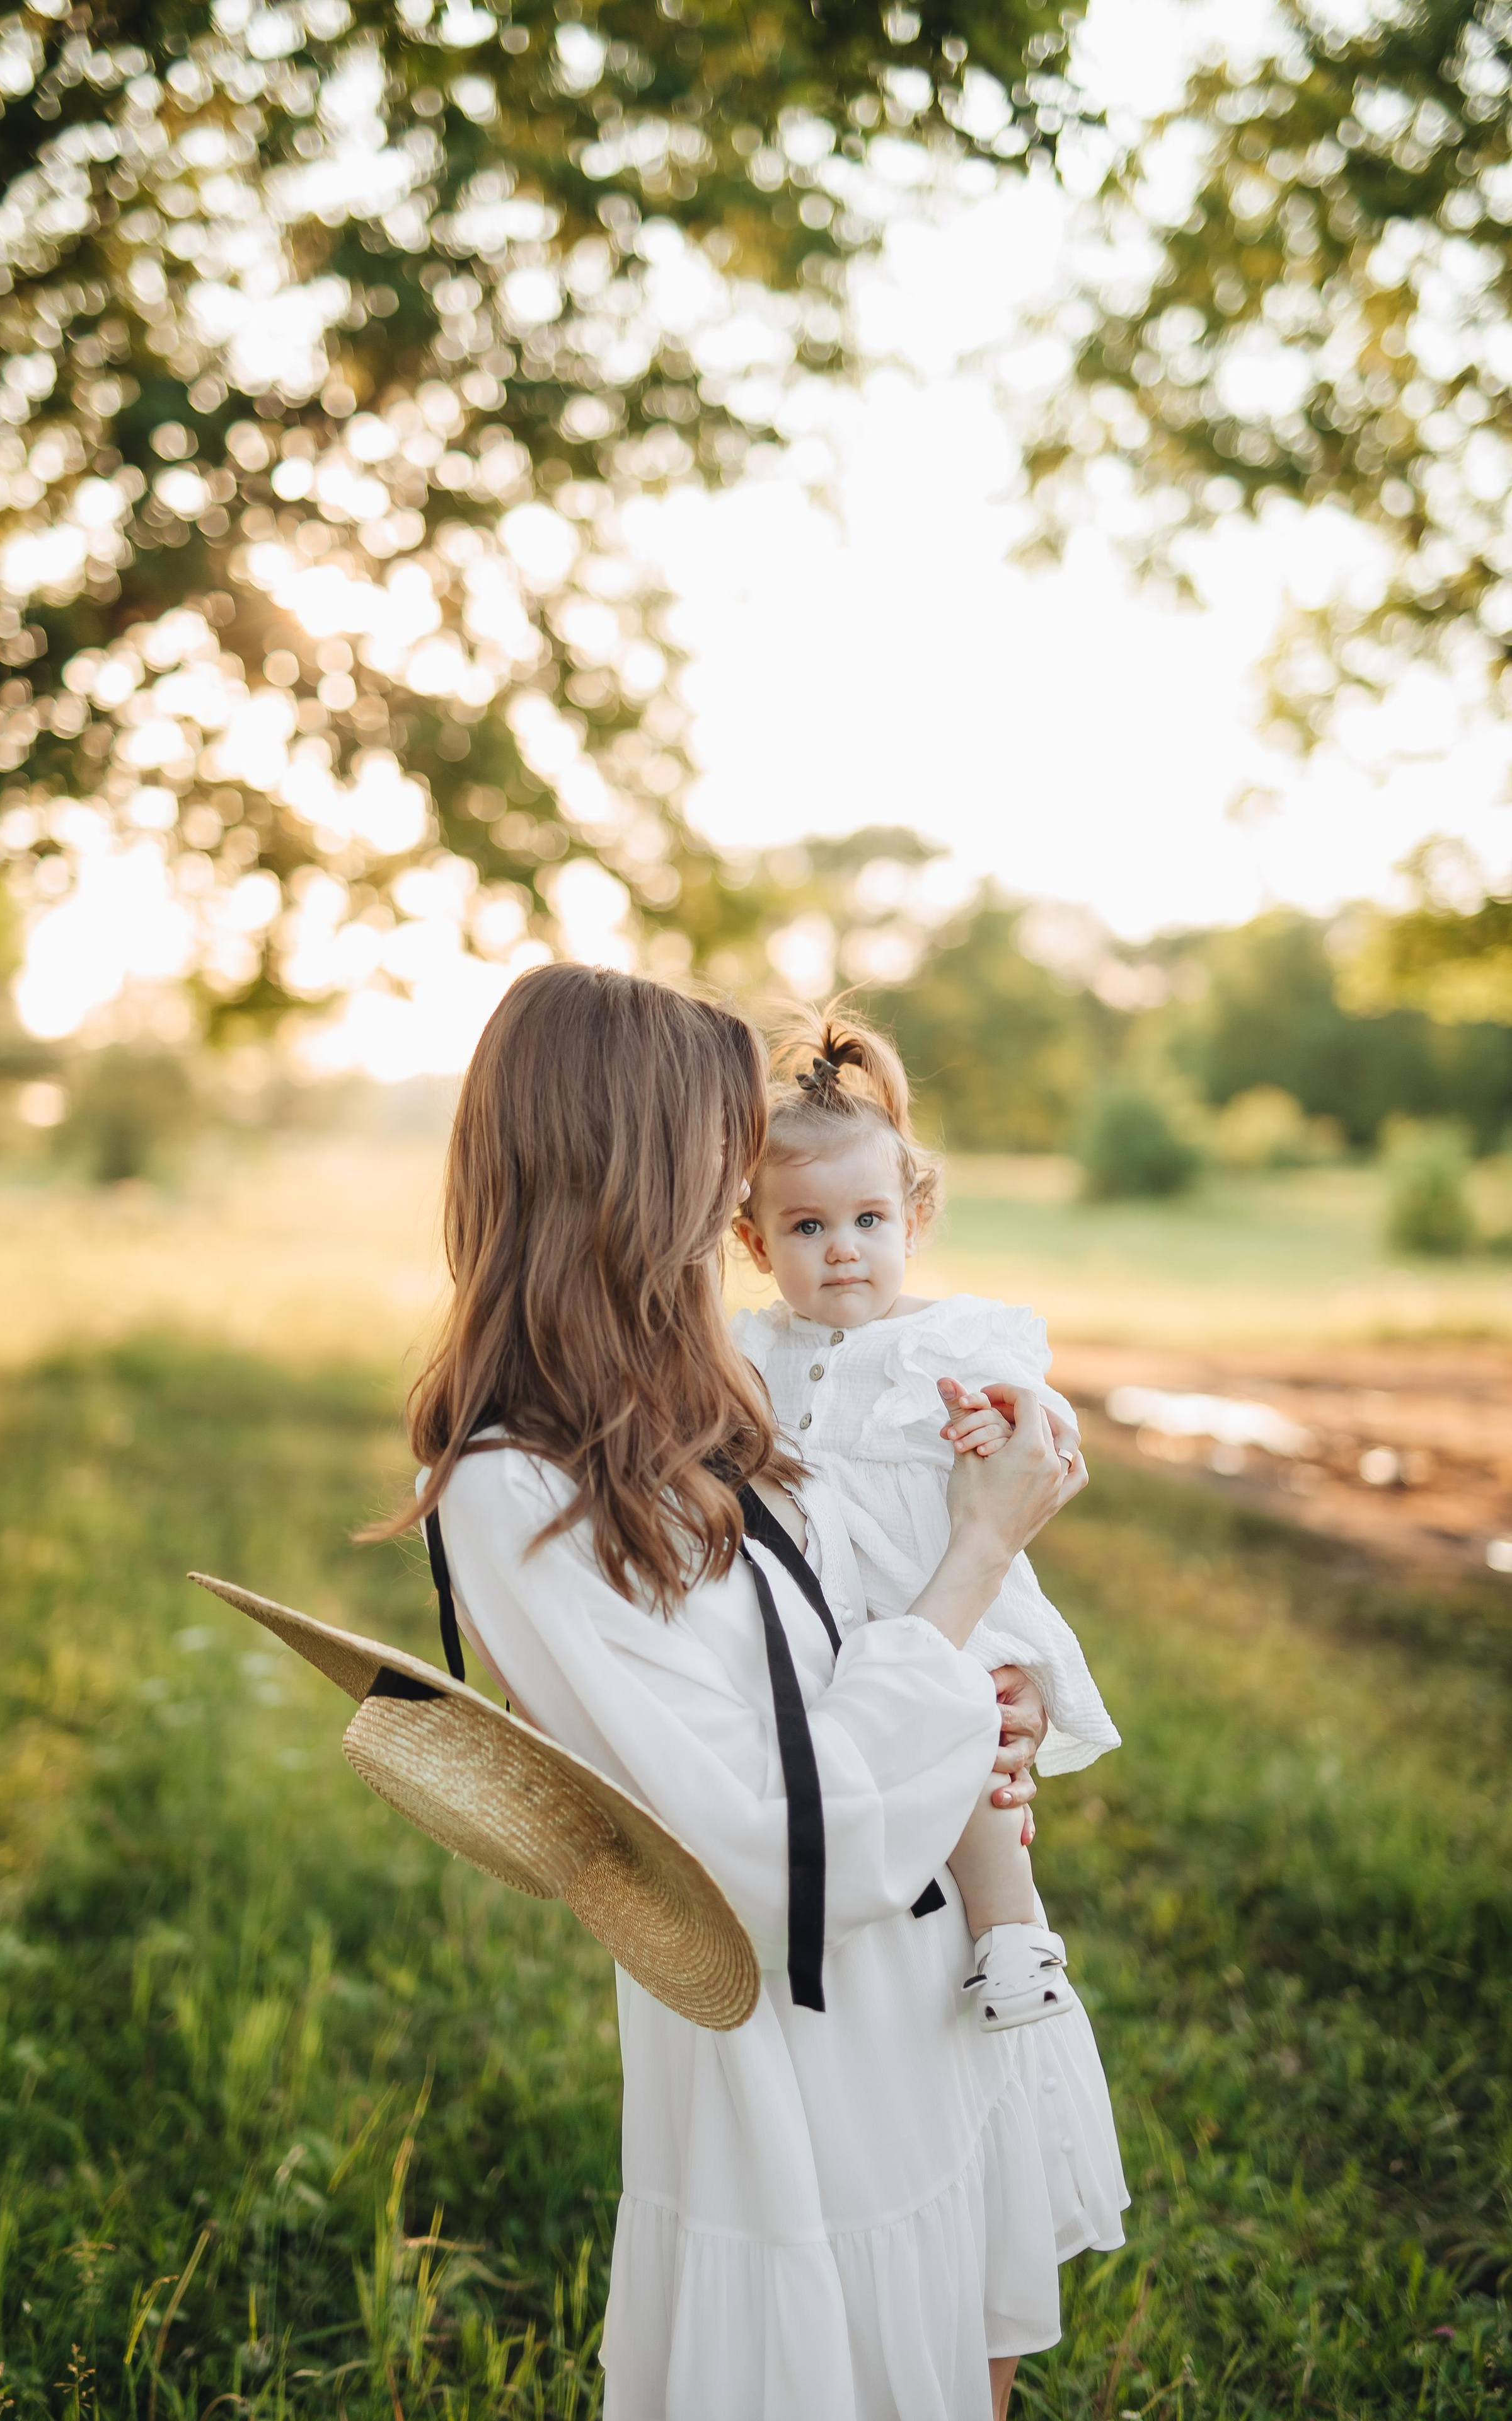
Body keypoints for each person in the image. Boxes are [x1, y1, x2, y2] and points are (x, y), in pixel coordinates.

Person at [391, 963, 1124, 2421]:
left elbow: (842, 1630)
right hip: (800, 2047)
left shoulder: (695, 1400)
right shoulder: (516, 1486)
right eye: (718, 1151)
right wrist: (979, 1559)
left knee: (957, 2349)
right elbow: (780, 1851)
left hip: (922, 1996)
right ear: (635, 1175)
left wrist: (988, 1694)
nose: (749, 1184)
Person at [732, 1005, 1121, 2032]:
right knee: (868, 1743)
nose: (844, 1251)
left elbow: (1047, 1427)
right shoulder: (750, 1348)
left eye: (868, 1222)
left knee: (971, 1740)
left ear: (913, 1219)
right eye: (806, 1228)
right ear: (755, 1240)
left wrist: (1000, 1426)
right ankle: (879, 1908)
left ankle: (1012, 1936)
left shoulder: (948, 1338)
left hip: (936, 1579)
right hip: (824, 1605)